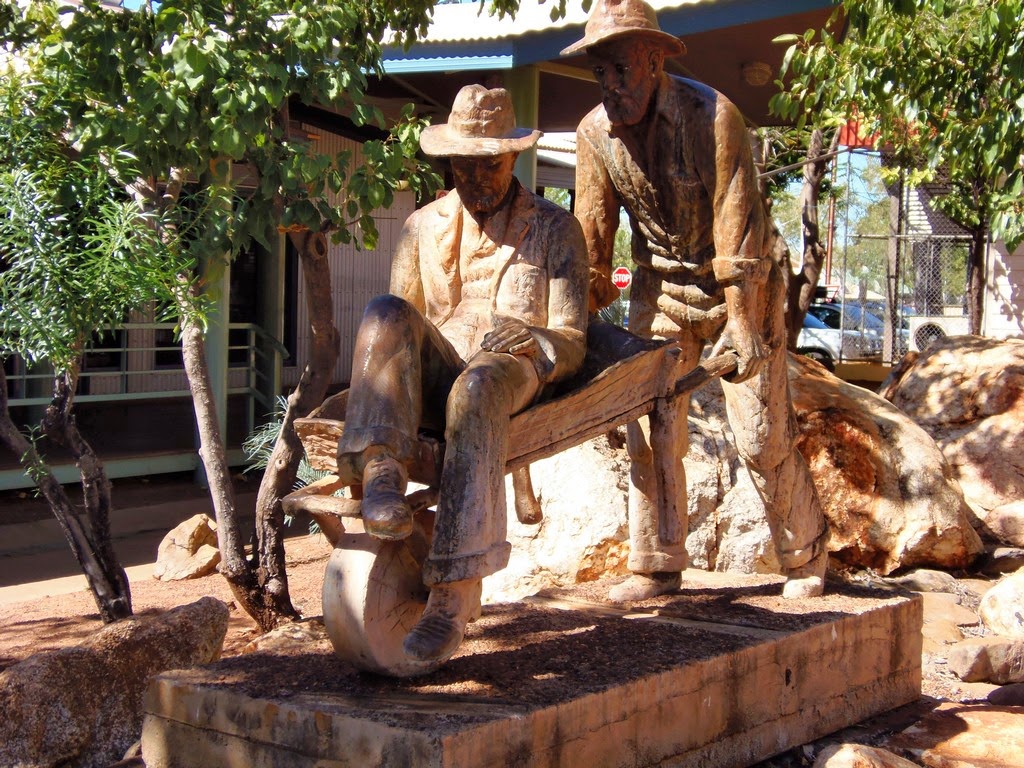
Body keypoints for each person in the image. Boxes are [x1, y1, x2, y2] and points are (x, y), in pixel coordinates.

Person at [562, 0, 828, 601]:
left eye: (621, 68)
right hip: (659, 289)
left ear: (654, 61)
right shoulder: (592, 135)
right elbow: (594, 239)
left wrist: (744, 323)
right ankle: (657, 563)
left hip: (741, 285)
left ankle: (805, 555)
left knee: (760, 432)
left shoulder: (712, 116)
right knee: (648, 426)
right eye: (600, 72)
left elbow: (738, 223)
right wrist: (577, 311)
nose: (610, 85)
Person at [335, 84, 589, 662]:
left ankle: (453, 596)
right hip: (444, 364)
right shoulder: (421, 226)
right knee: (384, 311)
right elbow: (402, 327)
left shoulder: (555, 229)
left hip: (511, 369)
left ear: (514, 157)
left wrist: (537, 338)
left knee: (475, 389)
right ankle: (382, 471)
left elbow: (574, 340)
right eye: (463, 166)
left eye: (489, 165)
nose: (475, 179)